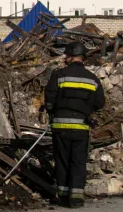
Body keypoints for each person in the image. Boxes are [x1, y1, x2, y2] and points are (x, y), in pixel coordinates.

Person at [44, 41, 105, 208]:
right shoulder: (92, 79)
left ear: (70, 57)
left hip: (61, 127)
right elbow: (100, 102)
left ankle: (62, 195)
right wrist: (86, 108)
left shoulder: (59, 75)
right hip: (81, 127)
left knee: (62, 160)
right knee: (78, 161)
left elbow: (49, 97)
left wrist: (52, 110)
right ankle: (76, 198)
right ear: (83, 58)